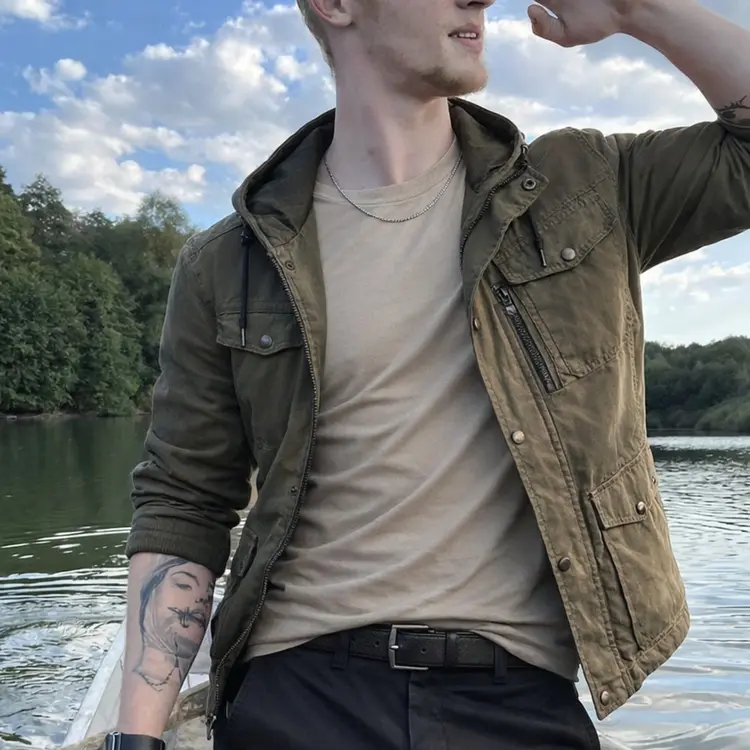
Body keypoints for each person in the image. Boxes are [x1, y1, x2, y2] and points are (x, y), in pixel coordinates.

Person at [104, 0, 750, 748]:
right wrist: (136, 739)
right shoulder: (228, 263)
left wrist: (635, 9)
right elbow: (185, 499)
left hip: (519, 697)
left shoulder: (583, 189)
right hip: (298, 693)